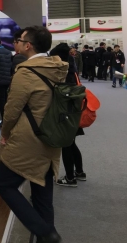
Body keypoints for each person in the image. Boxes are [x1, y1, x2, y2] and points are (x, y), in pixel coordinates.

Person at [0, 26, 68, 243]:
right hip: (51, 136)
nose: (16, 42)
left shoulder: (26, 72)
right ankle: (47, 236)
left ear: (28, 45)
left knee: (3, 184)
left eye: (20, 40)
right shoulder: (57, 67)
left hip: (28, 138)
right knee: (42, 193)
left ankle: (45, 232)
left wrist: (5, 133)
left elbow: (12, 110)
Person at [50, 43, 86, 187]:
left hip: (66, 113)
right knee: (71, 143)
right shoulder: (72, 70)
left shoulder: (63, 73)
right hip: (75, 112)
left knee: (66, 144)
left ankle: (70, 178)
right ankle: (79, 172)